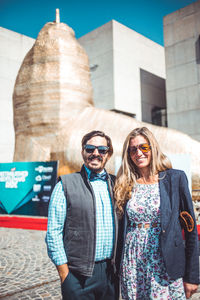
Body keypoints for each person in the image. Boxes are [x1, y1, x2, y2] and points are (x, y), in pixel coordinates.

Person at [114, 127, 199, 300]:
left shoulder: (175, 179)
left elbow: (190, 230)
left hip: (164, 261)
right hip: (133, 261)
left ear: (153, 148)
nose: (139, 153)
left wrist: (192, 276)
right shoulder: (125, 183)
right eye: (133, 149)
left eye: (144, 147)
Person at [45, 130, 119, 300]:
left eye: (102, 150)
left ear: (108, 154)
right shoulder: (65, 184)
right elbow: (53, 233)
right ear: (82, 152)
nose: (95, 153)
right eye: (90, 148)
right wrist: (65, 275)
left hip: (111, 274)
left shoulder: (117, 184)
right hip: (78, 275)